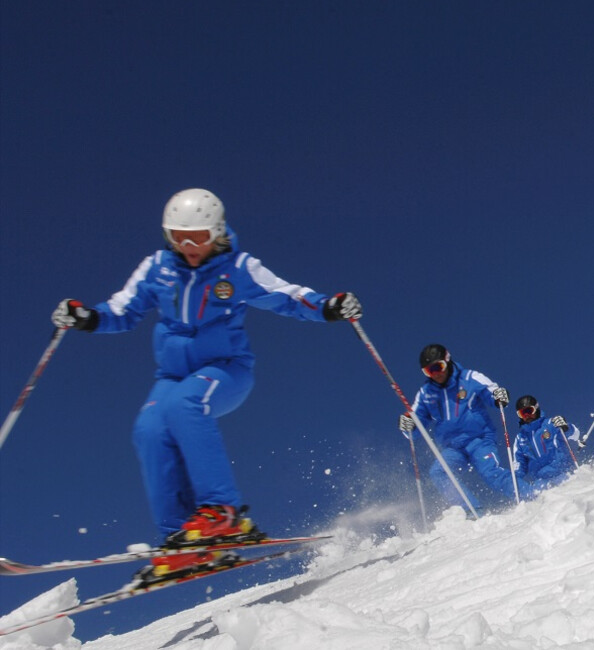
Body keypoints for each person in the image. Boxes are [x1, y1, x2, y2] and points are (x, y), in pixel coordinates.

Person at [51, 188, 362, 581]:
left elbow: (285, 295)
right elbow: (122, 309)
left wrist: (328, 306)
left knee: (185, 405)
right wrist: (86, 317)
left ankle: (223, 514)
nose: (188, 246)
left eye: (198, 236)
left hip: (226, 369)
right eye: (178, 236)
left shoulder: (238, 268)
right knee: (148, 429)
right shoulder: (157, 269)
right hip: (172, 375)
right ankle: (181, 539)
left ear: (215, 232)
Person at [398, 344, 533, 511]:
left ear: (447, 361)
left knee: (490, 472)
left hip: (480, 440)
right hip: (453, 447)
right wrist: (409, 427)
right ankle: (472, 511)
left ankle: (532, 496)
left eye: (438, 367)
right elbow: (417, 424)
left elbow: (491, 391)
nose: (436, 374)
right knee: (439, 472)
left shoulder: (470, 378)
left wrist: (498, 396)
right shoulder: (426, 394)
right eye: (429, 371)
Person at [512, 395, 579, 489]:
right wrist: (514, 478)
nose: (527, 416)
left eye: (529, 411)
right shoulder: (520, 439)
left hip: (565, 475)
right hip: (542, 485)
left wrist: (566, 427)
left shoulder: (551, 424)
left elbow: (576, 434)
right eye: (522, 413)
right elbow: (519, 465)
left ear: (536, 408)